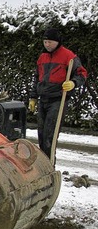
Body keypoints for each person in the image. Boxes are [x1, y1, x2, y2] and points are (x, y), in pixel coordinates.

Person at [28, 28, 87, 160]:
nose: (47, 45)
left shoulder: (68, 56)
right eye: (45, 42)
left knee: (51, 134)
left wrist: (73, 83)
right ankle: (43, 163)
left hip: (58, 100)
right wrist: (33, 97)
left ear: (56, 42)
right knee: (41, 134)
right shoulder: (42, 57)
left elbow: (82, 74)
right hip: (43, 98)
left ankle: (50, 163)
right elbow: (37, 77)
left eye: (49, 42)